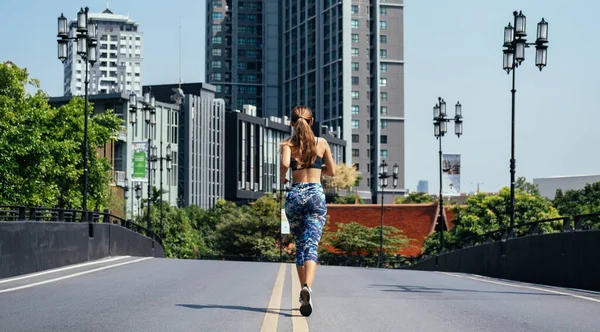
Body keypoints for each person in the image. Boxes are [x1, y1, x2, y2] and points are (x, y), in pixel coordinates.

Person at [280, 105, 336, 317]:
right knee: (312, 244)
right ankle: (307, 287)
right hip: (315, 196)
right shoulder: (321, 143)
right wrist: (316, 167)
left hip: (295, 196)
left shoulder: (288, 144)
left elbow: (286, 163)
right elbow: (332, 171)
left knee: (300, 247)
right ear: (311, 122)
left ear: (292, 124)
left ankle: (302, 288)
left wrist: (284, 174)